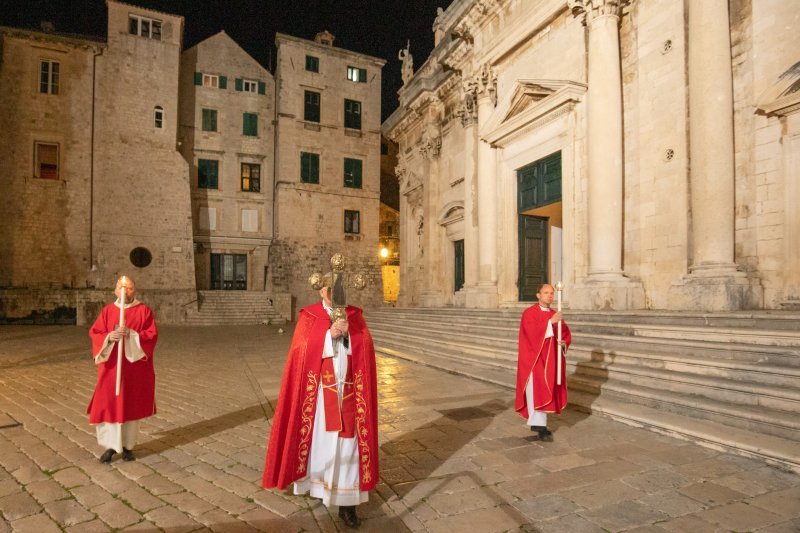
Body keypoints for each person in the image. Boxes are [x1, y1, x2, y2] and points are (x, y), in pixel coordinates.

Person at [263, 274, 378, 529]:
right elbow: (301, 350)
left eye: (338, 289)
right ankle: (319, 488)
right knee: (319, 445)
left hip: (349, 393)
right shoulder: (310, 316)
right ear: (321, 291)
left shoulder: (355, 316)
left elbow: (366, 347)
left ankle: (348, 506)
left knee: (349, 448)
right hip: (318, 397)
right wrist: (329, 335)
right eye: (329, 289)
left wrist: (349, 337)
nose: (333, 293)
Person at [87, 276, 157, 463]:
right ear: (115, 290)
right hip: (111, 368)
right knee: (109, 405)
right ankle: (111, 446)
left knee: (129, 406)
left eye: (130, 288)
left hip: (133, 369)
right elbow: (95, 333)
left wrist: (132, 335)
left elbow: (151, 336)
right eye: (121, 287)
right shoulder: (109, 311)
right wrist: (110, 337)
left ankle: (127, 447)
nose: (125, 291)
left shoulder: (143, 311)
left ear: (135, 291)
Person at [515, 283, 571, 441]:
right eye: (546, 292)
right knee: (538, 391)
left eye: (552, 293)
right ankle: (540, 426)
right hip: (535, 360)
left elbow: (565, 333)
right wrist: (550, 323)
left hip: (550, 360)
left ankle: (538, 424)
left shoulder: (555, 313)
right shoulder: (529, 313)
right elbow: (531, 334)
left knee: (547, 390)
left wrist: (563, 342)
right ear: (538, 295)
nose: (550, 295)